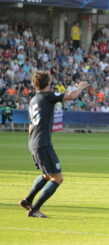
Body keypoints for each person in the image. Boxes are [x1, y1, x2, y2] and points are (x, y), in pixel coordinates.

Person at [19, 71, 89, 217]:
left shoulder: (33, 100)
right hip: (43, 143)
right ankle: (35, 209)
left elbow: (31, 126)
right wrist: (80, 87)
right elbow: (71, 96)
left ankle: (28, 201)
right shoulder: (48, 96)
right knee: (57, 178)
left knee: (46, 175)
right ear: (48, 84)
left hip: (33, 142)